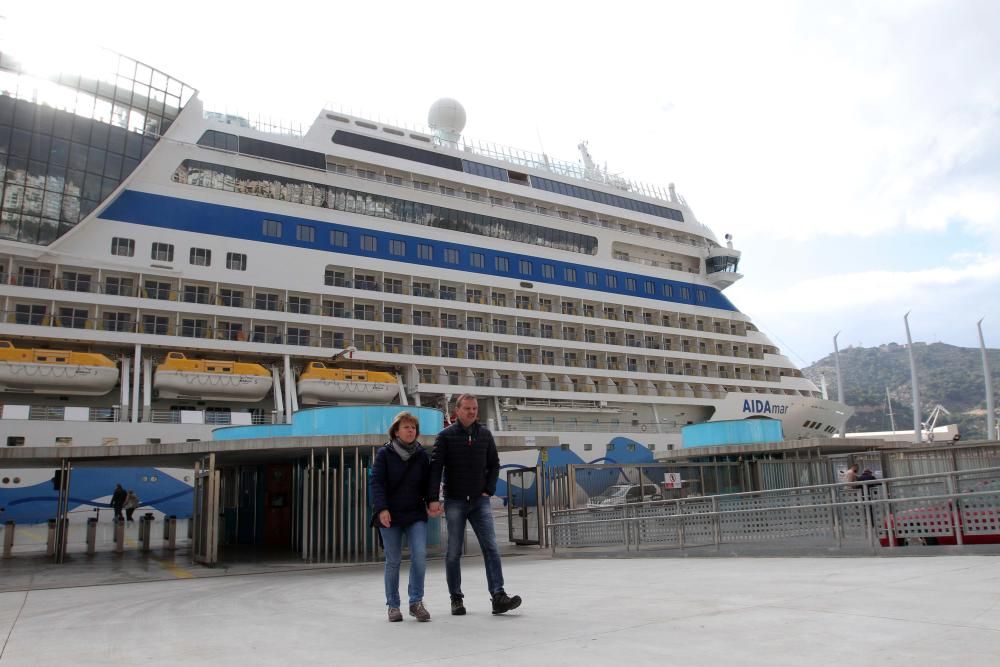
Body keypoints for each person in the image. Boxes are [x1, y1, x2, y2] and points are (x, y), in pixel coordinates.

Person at [428, 394, 522, 616]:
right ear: (457, 410)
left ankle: (498, 596)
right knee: (453, 552)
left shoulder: (485, 435)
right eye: (468, 408)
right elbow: (435, 468)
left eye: (474, 408)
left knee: (491, 548)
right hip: (455, 501)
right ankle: (456, 599)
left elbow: (494, 464)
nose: (472, 412)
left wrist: (488, 489)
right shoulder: (445, 436)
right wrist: (432, 498)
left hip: (480, 501)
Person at [370, 411, 432, 623]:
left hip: (415, 513)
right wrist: (382, 509)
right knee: (393, 560)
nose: (410, 430)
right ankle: (393, 606)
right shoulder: (384, 454)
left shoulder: (422, 455)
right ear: (396, 431)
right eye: (406, 427)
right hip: (390, 514)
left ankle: (416, 602)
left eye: (413, 427)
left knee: (420, 556)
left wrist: (433, 500)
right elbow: (376, 483)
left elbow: (428, 483)